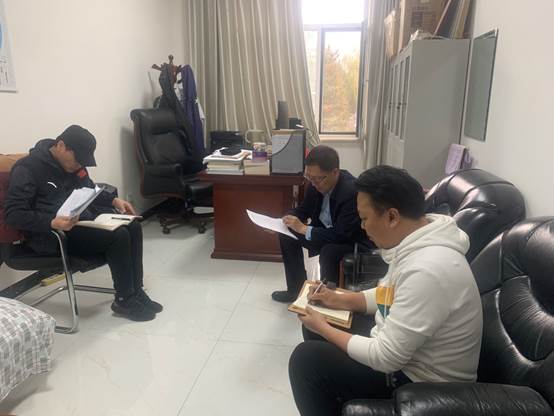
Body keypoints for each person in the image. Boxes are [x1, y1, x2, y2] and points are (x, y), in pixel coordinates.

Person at [288, 165, 483, 416]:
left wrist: (323, 327)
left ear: (392, 217)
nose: (363, 227)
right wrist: (339, 299)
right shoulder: (420, 240)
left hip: (423, 382)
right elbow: (390, 293)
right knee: (320, 320)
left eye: (365, 218)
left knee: (306, 360)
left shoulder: (428, 270)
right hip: (409, 355)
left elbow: (386, 358)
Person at [5, 125, 163, 322]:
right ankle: (124, 299)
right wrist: (52, 222)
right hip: (50, 236)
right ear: (61, 145)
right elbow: (13, 214)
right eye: (77, 160)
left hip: (79, 225)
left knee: (133, 225)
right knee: (118, 236)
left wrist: (113, 200)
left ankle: (136, 291)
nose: (79, 165)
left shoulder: (75, 166)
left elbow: (89, 189)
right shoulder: (27, 168)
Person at [271, 145, 370, 303]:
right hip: (324, 233)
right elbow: (303, 210)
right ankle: (296, 290)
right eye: (309, 177)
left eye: (318, 179)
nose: (314, 183)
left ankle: (328, 299)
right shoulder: (315, 184)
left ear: (335, 172)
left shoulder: (351, 191)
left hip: (351, 240)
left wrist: (304, 229)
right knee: (286, 234)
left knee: (329, 251)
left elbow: (341, 234)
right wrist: (282, 221)